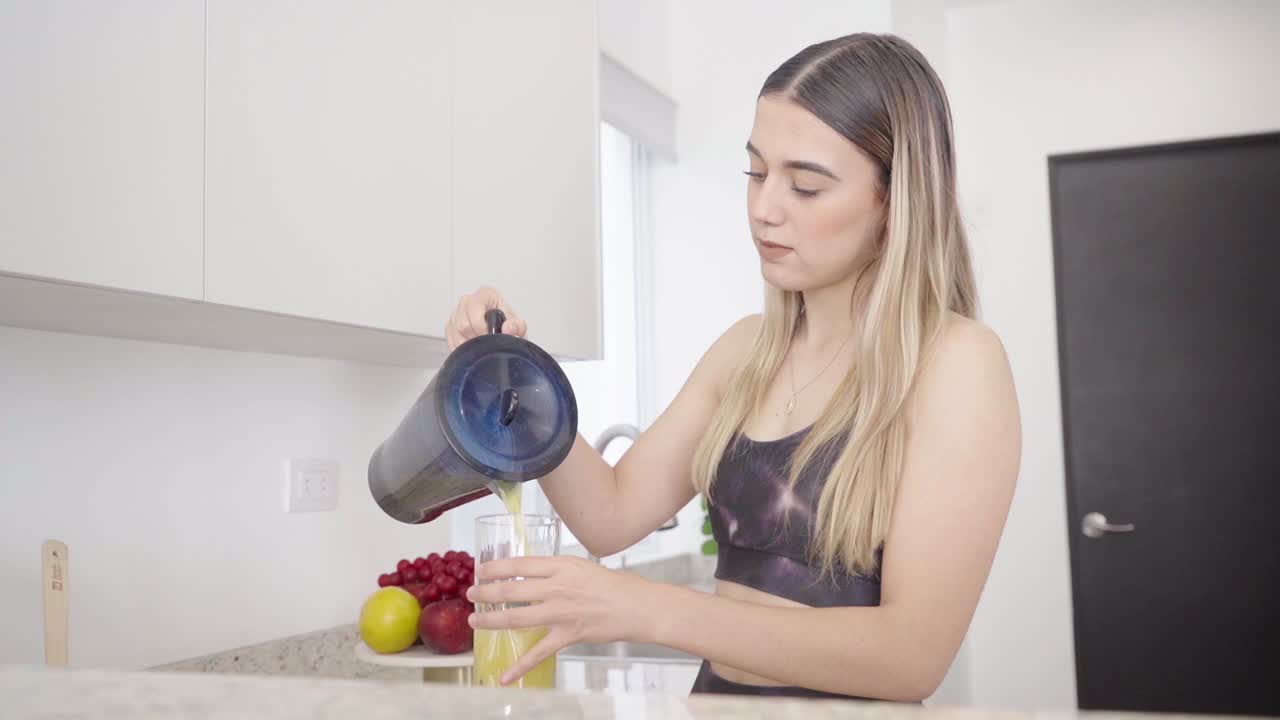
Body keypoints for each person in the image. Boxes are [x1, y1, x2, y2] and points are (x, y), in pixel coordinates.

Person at [453, 32, 1021, 701]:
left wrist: (647, 608)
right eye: (756, 173)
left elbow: (911, 658)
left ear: (895, 202)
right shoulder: (746, 351)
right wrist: (515, 373)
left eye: (805, 186)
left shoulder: (957, 364)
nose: (763, 209)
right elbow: (609, 515)